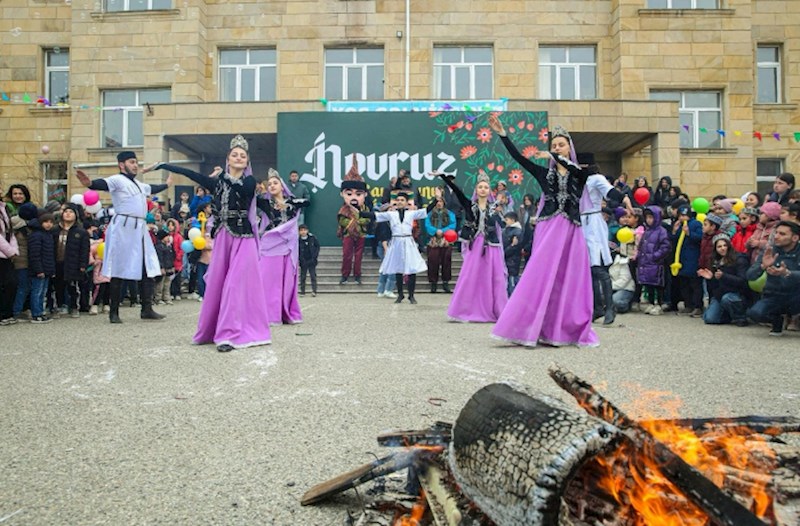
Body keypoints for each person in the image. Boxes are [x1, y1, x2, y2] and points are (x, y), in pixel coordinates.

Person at [153, 135, 272, 352]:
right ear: (228, 158)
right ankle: (214, 329)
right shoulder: (217, 181)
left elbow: (244, 192)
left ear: (247, 162)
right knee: (217, 284)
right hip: (223, 238)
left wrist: (223, 177)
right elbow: (191, 174)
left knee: (235, 284)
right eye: (234, 154)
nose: (238, 158)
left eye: (242, 156)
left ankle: (229, 335)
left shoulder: (249, 181)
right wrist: (164, 165)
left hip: (243, 238)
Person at [489, 115, 597, 347]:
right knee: (541, 274)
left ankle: (562, 329)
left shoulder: (580, 173)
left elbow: (584, 173)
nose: (557, 148)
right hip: (550, 229)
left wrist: (554, 156)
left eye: (561, 145)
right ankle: (528, 326)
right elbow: (517, 157)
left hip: (571, 229)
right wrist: (503, 134)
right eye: (554, 145)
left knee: (569, 278)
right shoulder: (542, 173)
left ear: (569, 148)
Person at [76, 151, 168, 323]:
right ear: (121, 164)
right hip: (123, 228)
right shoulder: (117, 180)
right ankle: (114, 312)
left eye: (136, 162)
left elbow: (153, 188)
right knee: (118, 268)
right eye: (132, 162)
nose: (135, 165)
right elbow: (102, 184)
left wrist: (167, 184)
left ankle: (146, 308)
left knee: (147, 267)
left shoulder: (139, 185)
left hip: (139, 228)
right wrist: (89, 183)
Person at [436, 170, 508, 322]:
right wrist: (443, 176)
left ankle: (496, 311)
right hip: (475, 245)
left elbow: (502, 225)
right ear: (476, 189)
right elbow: (458, 191)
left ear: (489, 191)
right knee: (470, 276)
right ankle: (465, 310)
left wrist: (498, 214)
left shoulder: (494, 207)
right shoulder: (470, 205)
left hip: (491, 246)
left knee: (494, 278)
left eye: (486, 187)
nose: (483, 189)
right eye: (480, 187)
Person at [578, 153, 634, 325]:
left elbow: (610, 192)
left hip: (593, 223)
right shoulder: (577, 180)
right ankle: (598, 307)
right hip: (580, 222)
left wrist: (625, 199)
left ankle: (610, 307)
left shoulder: (595, 178)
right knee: (589, 269)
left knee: (599, 268)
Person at [361, 189, 437, 304]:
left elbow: (426, 210)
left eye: (402, 200)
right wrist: (359, 212)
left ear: (407, 202)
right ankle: (400, 294)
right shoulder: (391, 214)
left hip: (408, 241)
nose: (400, 202)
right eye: (398, 200)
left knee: (411, 269)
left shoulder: (411, 213)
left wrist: (436, 200)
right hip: (396, 241)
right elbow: (374, 215)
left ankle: (411, 295)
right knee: (398, 269)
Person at [258, 168, 308, 325]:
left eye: (275, 183)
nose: (272, 186)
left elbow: (307, 201)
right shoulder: (266, 203)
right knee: (269, 279)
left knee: (286, 281)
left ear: (282, 186)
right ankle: (269, 315)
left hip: (288, 246)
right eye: (270, 184)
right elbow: (251, 199)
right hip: (270, 245)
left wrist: (288, 202)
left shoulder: (292, 203)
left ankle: (285, 313)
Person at [746, 221, 800, 336]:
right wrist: (762, 266)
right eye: (776, 233)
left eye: (782, 234)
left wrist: (787, 273)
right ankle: (777, 320)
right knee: (755, 314)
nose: (776, 236)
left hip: (796, 294)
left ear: (795, 237)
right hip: (774, 294)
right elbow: (750, 275)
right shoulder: (769, 250)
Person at [699, 234, 750, 326]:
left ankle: (741, 317)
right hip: (720, 294)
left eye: (725, 245)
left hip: (736, 294)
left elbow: (742, 281)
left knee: (727, 298)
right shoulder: (714, 261)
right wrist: (710, 279)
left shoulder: (739, 259)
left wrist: (724, 276)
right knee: (709, 319)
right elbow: (714, 288)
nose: (722, 248)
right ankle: (728, 316)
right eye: (719, 246)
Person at [337, 156, 371, 285]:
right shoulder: (343, 209)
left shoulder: (365, 208)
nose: (354, 197)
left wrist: (357, 222)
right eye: (349, 194)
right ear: (343, 194)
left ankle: (357, 275)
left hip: (361, 234)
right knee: (347, 256)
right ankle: (344, 275)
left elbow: (367, 220)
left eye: (358, 194)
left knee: (358, 256)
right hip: (348, 235)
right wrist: (355, 222)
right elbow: (342, 221)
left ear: (364, 195)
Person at [53, 203, 90, 318]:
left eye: (71, 212)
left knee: (73, 287)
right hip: (57, 262)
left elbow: (85, 250)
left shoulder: (81, 232)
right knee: (57, 286)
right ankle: (58, 306)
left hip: (73, 263)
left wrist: (83, 264)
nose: (68, 214)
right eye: (66, 212)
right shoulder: (55, 230)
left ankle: (74, 307)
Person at [636, 206, 671, 315]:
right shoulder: (647, 231)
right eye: (647, 218)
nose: (649, 220)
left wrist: (655, 256)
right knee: (648, 284)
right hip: (646, 262)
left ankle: (658, 304)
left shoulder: (662, 231)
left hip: (656, 263)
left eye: (651, 217)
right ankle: (651, 303)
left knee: (658, 285)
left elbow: (665, 246)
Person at [668, 205, 703, 316]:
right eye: (680, 216)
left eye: (684, 215)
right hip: (681, 259)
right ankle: (688, 305)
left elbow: (700, 237)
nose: (682, 218)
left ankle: (698, 305)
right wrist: (674, 231)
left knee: (694, 284)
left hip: (692, 258)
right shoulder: (680, 226)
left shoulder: (696, 224)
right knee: (684, 284)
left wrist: (689, 233)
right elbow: (675, 241)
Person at [26, 211, 56, 323]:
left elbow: (51, 254)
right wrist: (39, 270)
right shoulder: (36, 235)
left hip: (47, 269)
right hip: (38, 270)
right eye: (46, 222)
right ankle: (36, 313)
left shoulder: (48, 235)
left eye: (51, 222)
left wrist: (51, 270)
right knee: (37, 292)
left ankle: (41, 312)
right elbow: (34, 254)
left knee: (43, 293)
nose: (48, 224)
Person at [10, 203, 37, 321]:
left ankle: (19, 309)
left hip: (16, 259)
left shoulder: (12, 224)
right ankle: (17, 310)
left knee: (22, 286)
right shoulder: (26, 229)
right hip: (23, 260)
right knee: (24, 286)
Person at [424, 194, 456, 293]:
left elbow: (453, 224)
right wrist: (435, 231)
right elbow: (427, 224)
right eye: (437, 202)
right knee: (433, 262)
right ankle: (433, 284)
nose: (439, 203)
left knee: (446, 262)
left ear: (444, 203)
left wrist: (443, 231)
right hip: (433, 240)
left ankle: (445, 283)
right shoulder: (429, 214)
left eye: (441, 202)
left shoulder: (450, 213)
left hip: (446, 240)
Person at [0, 201, 19, 325]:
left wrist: (14, 250)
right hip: (3, 253)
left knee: (11, 284)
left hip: (7, 254)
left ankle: (7, 313)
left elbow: (9, 232)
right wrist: (9, 251)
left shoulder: (4, 207)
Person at [502, 211, 523, 296]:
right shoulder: (506, 230)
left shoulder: (517, 231)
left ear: (513, 220)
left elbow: (515, 246)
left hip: (512, 261)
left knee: (512, 283)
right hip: (507, 260)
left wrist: (504, 252)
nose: (505, 221)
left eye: (506, 220)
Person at [154, 229, 176, 305]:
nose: (168, 238)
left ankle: (166, 297)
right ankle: (158, 298)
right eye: (167, 237)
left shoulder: (169, 246)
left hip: (169, 267)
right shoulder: (159, 247)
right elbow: (159, 258)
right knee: (160, 284)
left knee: (167, 284)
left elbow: (172, 256)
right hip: (163, 268)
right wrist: (161, 267)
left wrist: (172, 266)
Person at [298, 224, 319, 297]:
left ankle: (314, 291)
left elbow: (317, 247)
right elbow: (297, 251)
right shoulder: (298, 240)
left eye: (304, 230)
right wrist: (301, 259)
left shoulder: (312, 238)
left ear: (307, 231)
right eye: (301, 230)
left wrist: (314, 257)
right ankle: (302, 291)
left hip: (312, 260)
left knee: (313, 276)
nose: (303, 232)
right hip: (303, 261)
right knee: (303, 277)